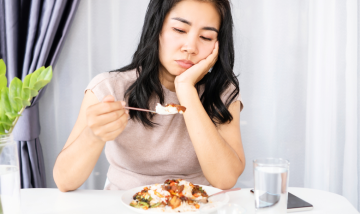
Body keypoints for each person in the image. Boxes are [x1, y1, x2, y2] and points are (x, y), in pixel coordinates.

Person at [53, 0, 245, 192]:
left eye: (206, 36)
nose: (190, 47)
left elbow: (225, 179)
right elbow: (64, 181)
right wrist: (93, 135)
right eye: (179, 30)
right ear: (157, 28)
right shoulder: (110, 88)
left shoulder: (223, 93)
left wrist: (186, 89)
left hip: (195, 205)